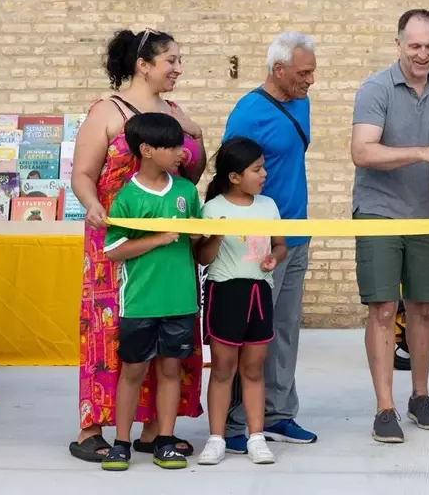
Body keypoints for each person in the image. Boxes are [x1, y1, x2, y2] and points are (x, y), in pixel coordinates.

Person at [68, 28, 205, 463]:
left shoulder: (176, 113)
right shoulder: (107, 112)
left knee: (166, 332)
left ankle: (153, 430)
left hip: (167, 245)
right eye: (171, 60)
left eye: (180, 60)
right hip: (114, 240)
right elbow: (83, 173)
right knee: (111, 334)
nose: (178, 68)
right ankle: (93, 428)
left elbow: (190, 176)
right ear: (142, 65)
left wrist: (195, 133)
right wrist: (92, 206)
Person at [350, 8, 429, 443]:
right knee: (382, 309)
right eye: (415, 45)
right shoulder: (375, 89)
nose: (423, 54)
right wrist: (424, 153)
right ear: (398, 44)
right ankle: (385, 407)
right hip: (378, 212)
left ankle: (421, 396)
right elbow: (362, 152)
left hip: (425, 213)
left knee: (422, 308)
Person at [219, 32, 317, 453]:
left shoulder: (302, 101)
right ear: (278, 70)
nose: (310, 80)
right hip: (259, 244)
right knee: (251, 333)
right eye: (303, 72)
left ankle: (278, 413)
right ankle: (238, 420)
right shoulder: (248, 114)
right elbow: (230, 177)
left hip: (296, 237)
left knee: (285, 329)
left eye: (311, 71)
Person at [98, 112, 204, 471]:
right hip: (140, 302)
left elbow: (198, 245)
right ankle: (122, 443)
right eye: (172, 146)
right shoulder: (126, 196)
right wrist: (158, 239)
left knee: (171, 370)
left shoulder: (187, 192)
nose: (181, 152)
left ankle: (165, 440)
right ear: (146, 150)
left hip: (180, 300)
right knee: (133, 371)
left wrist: (211, 234)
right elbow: (112, 251)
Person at [196, 137, 287, 466]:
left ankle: (256, 437)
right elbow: (203, 257)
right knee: (222, 369)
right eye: (257, 169)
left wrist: (274, 259)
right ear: (234, 176)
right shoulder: (212, 209)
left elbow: (280, 246)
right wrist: (215, 237)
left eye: (263, 168)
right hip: (226, 293)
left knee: (253, 369)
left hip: (259, 294)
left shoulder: (269, 206)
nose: (264, 174)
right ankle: (216, 438)